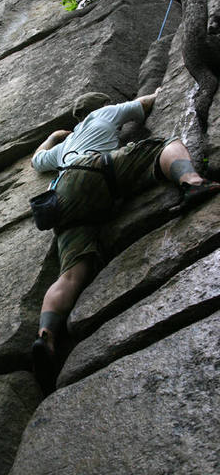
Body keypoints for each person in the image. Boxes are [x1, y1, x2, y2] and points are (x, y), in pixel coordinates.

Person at [31, 89, 220, 395]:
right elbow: (145, 104)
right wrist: (158, 92)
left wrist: (54, 136)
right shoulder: (102, 114)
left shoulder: (62, 147)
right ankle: (193, 183)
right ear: (101, 106)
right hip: (92, 172)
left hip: (60, 202)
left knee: (70, 274)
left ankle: (46, 335)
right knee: (162, 147)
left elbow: (36, 160)